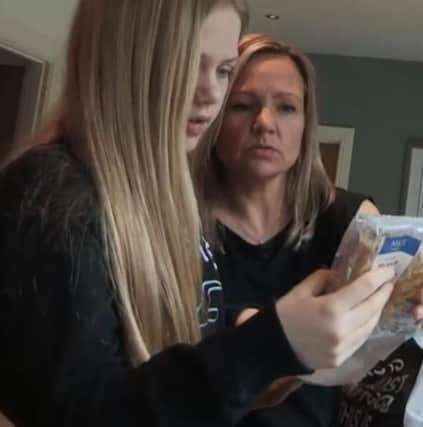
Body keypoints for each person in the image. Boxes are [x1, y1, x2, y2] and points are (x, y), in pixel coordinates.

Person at [0, 3, 399, 426]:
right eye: (189, 63)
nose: (211, 94)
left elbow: (165, 341)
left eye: (223, 70)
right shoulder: (52, 194)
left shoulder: (154, 202)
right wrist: (266, 346)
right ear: (125, 58)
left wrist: (247, 331)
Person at [193, 33, 423, 427]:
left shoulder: (350, 220)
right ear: (213, 117)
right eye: (242, 105)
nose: (264, 123)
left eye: (286, 107)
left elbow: (382, 329)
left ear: (306, 126)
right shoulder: (174, 221)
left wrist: (417, 299)